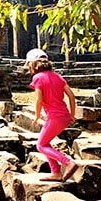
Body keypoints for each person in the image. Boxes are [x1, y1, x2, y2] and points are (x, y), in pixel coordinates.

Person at [25, 48, 78, 182]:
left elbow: (39, 100)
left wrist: (37, 116)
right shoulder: (58, 76)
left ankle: (68, 162)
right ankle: (55, 172)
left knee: (40, 145)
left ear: (33, 65)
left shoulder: (37, 78)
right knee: (46, 143)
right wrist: (72, 114)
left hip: (54, 117)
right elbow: (71, 96)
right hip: (64, 116)